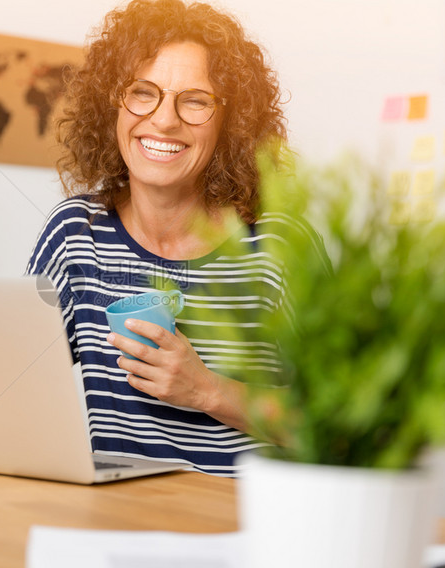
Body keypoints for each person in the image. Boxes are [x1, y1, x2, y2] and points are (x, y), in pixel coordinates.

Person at [26, 0, 293, 476]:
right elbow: (11, 386)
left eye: (195, 100)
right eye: (143, 92)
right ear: (113, 103)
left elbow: (345, 428)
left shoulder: (276, 247)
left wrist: (207, 390)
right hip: (108, 528)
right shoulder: (76, 234)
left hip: (238, 537)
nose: (164, 121)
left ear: (230, 122)